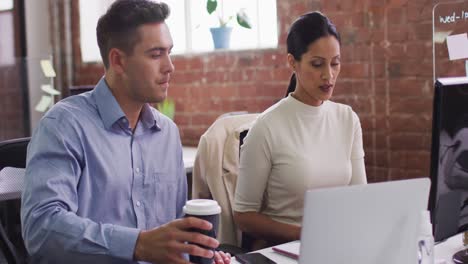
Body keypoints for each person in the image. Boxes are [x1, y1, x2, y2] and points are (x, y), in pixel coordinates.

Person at [21, 1, 230, 263]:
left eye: (169, 52)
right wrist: (137, 244)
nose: (169, 66)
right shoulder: (63, 126)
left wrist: (197, 251)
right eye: (155, 54)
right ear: (118, 61)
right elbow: (41, 229)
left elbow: (174, 230)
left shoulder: (167, 133)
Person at [233, 11, 367, 249]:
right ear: (292, 62)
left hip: (338, 246)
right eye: (317, 64)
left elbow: (359, 199)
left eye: (335, 63)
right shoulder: (266, 128)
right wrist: (303, 234)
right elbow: (243, 216)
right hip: (288, 250)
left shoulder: (347, 119)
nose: (329, 75)